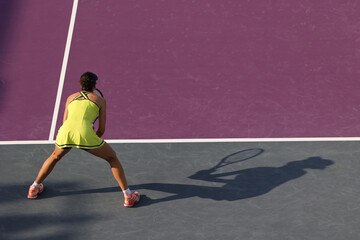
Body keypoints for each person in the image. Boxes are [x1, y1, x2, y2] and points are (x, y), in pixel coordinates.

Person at [27, 72, 140, 207]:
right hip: (85, 134)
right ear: (95, 85)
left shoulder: (70, 97)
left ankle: (34, 187)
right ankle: (128, 196)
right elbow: (101, 130)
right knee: (112, 158)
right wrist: (90, 139)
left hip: (65, 132)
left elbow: (65, 121)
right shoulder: (100, 100)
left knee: (55, 156)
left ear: (81, 84)